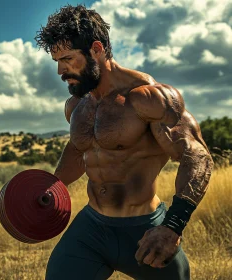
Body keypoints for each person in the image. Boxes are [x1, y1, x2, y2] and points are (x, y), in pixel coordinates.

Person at [34, 4, 214, 280]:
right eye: (57, 61)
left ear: (97, 49)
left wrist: (173, 226)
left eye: (68, 59)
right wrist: (49, 187)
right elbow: (79, 150)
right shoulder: (76, 106)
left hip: (143, 229)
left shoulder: (148, 98)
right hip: (91, 228)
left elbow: (197, 156)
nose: (60, 70)